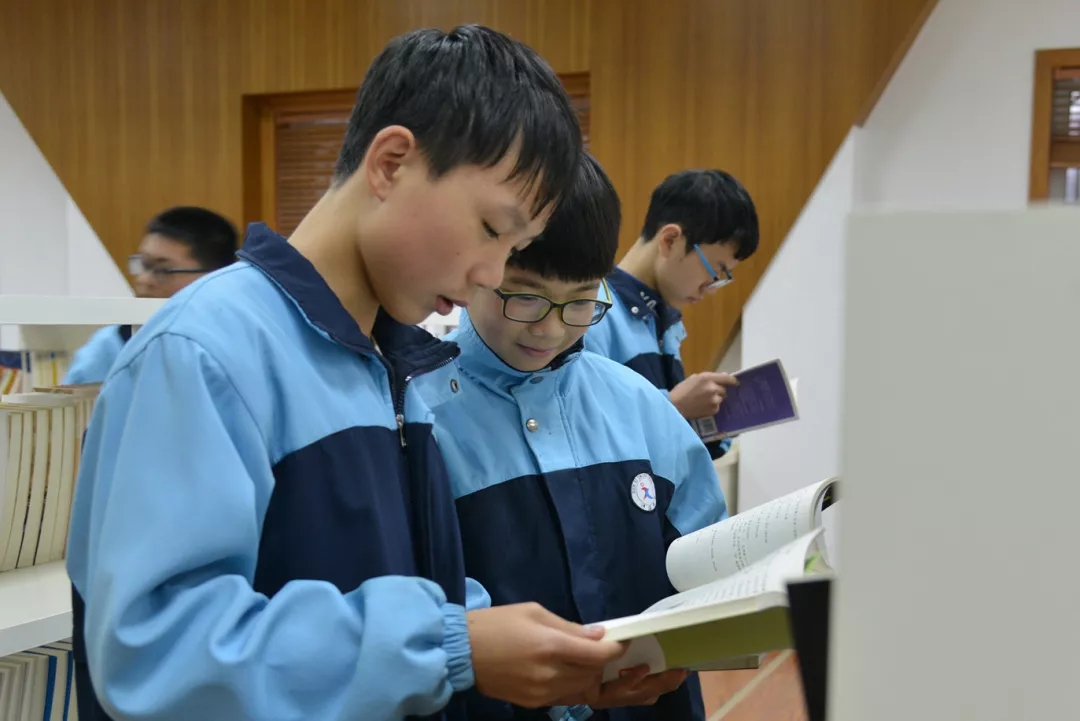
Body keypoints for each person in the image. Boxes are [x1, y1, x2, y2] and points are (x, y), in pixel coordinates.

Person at [65, 25, 625, 721]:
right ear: (390, 164)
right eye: (490, 229)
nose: (491, 273)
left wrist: (531, 653)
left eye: (516, 248)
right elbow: (159, 650)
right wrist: (449, 646)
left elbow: (392, 590)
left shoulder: (391, 364)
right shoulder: (203, 352)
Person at [421, 154, 728, 721]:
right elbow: (425, 599)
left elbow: (704, 545)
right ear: (478, 271)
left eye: (582, 301)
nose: (551, 328)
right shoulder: (420, 415)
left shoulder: (639, 404)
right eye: (526, 296)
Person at [584, 169, 759, 459]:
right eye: (715, 271)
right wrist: (675, 406)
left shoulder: (663, 321)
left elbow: (663, 441)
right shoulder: (593, 313)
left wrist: (715, 423)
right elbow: (583, 435)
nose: (710, 287)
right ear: (670, 240)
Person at [63, 206, 238, 384]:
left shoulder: (237, 343)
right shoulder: (110, 346)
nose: (143, 279)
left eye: (164, 270)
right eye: (144, 265)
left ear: (214, 276)